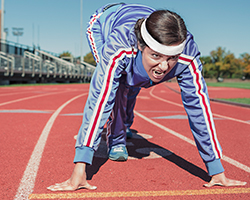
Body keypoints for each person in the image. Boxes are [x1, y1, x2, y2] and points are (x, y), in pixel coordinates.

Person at [47, 3, 246, 191]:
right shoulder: (119, 46)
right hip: (104, 22)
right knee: (116, 86)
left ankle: (126, 122)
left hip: (142, 28)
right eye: (156, 56)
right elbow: (100, 99)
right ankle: (116, 138)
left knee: (135, 82)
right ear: (142, 46)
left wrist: (216, 169)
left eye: (171, 58)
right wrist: (80, 167)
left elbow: (199, 109)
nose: (164, 67)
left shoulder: (188, 56)